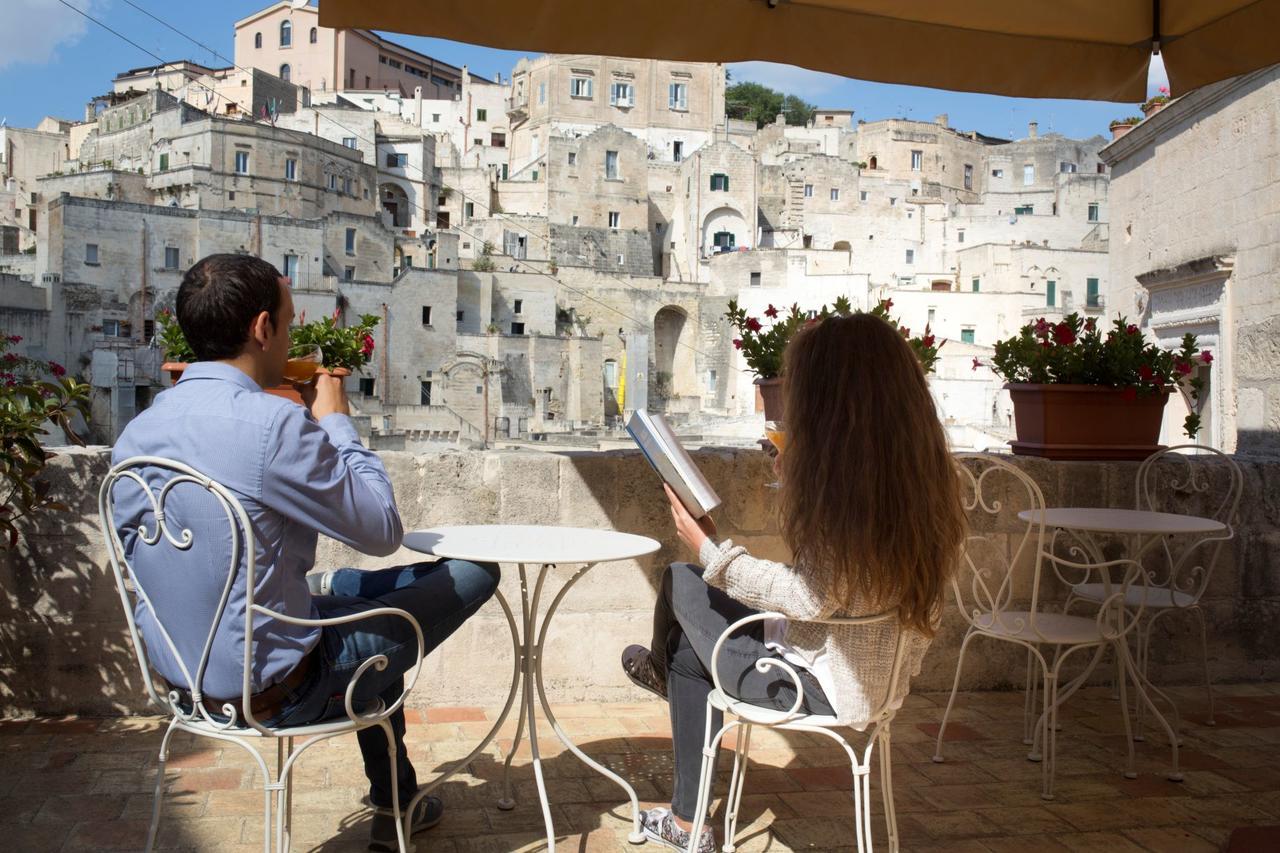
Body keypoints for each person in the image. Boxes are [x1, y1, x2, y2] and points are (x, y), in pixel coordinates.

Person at [111, 254, 499, 851]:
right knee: (476, 573)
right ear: (263, 329)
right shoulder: (273, 426)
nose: (293, 336)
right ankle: (394, 805)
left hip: (181, 681)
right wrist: (336, 424)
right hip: (276, 692)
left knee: (347, 596)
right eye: (290, 325)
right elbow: (380, 531)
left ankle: (397, 801)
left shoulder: (137, 435)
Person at [621, 312, 966, 852]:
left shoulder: (848, 498)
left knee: (683, 580)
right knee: (693, 656)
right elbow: (845, 591)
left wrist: (709, 547)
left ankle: (665, 683)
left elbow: (811, 595)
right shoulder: (921, 480)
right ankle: (686, 823)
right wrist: (795, 474)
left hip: (819, 686)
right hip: (871, 677)